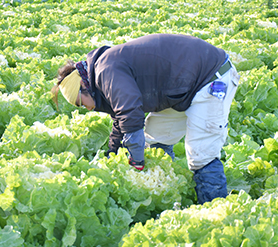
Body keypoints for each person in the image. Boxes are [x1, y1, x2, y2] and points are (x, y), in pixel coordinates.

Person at [53, 33, 240, 204]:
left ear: (84, 86)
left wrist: (137, 160)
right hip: (183, 89)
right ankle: (167, 191)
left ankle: (214, 211)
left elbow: (129, 112)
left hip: (211, 77)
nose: (85, 107)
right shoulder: (102, 75)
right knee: (156, 139)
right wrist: (113, 154)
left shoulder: (105, 69)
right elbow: (120, 119)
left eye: (80, 102)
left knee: (202, 155)